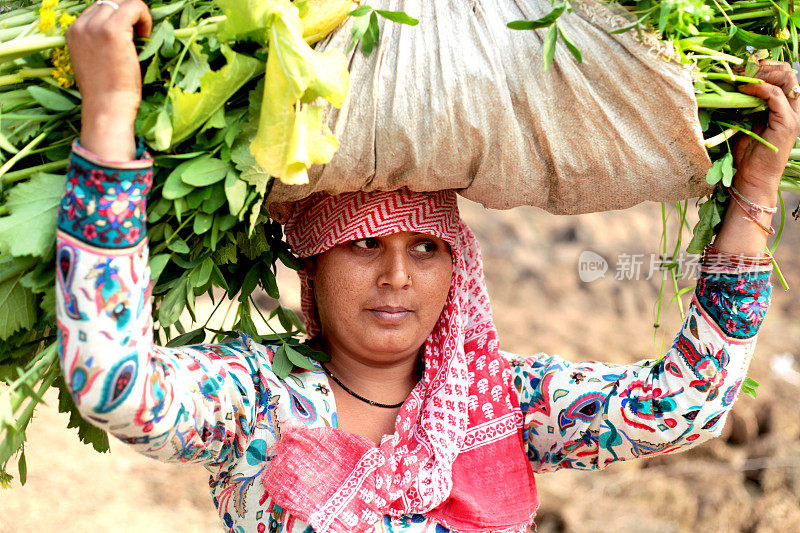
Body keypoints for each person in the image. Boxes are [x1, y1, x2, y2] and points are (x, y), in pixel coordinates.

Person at [59, 1, 798, 531]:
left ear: (458, 268)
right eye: (363, 245)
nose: (397, 276)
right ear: (311, 265)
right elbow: (118, 384)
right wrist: (111, 116)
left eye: (425, 247)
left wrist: (756, 190)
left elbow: (683, 405)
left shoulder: (501, 404)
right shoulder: (258, 401)